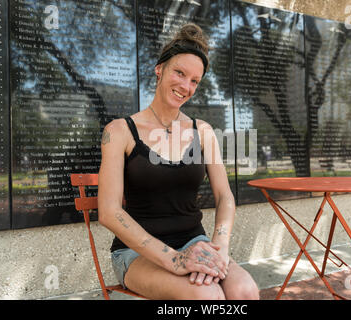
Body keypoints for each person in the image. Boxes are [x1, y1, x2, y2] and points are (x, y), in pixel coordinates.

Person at [98, 23, 259, 300]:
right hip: (136, 253)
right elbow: (109, 212)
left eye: (194, 81)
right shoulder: (119, 131)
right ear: (159, 70)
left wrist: (219, 248)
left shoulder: (204, 131)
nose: (186, 86)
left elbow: (224, 197)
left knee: (244, 290)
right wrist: (173, 259)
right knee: (207, 296)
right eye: (180, 73)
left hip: (196, 242)